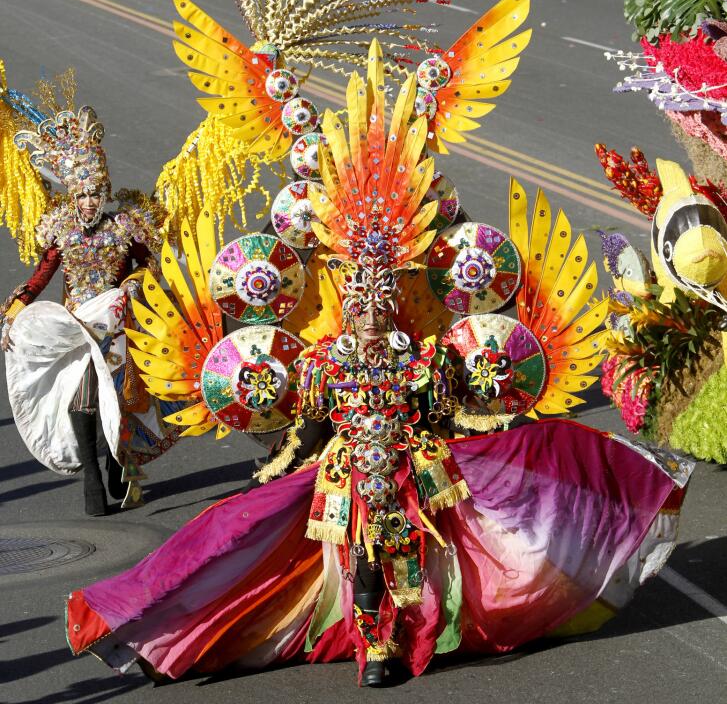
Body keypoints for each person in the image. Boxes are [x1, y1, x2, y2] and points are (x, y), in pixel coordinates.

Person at [65, 37, 691, 687]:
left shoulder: (420, 354)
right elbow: (299, 404)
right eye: (358, 300)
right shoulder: (326, 359)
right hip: (346, 472)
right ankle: (357, 644)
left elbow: (448, 398)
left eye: (378, 299)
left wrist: (447, 383)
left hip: (414, 466)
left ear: (393, 302)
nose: (367, 309)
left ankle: (408, 636)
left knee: (421, 552)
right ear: (347, 302)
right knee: (297, 549)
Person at [0, 87, 181, 516]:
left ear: (104, 192)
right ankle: (91, 478)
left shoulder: (123, 227)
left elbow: (150, 270)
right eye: (80, 195)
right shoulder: (61, 229)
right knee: (83, 401)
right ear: (71, 196)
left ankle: (120, 465)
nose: (86, 203)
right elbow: (39, 278)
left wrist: (134, 290)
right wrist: (11, 315)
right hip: (78, 326)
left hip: (118, 327)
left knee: (120, 402)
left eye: (94, 194)